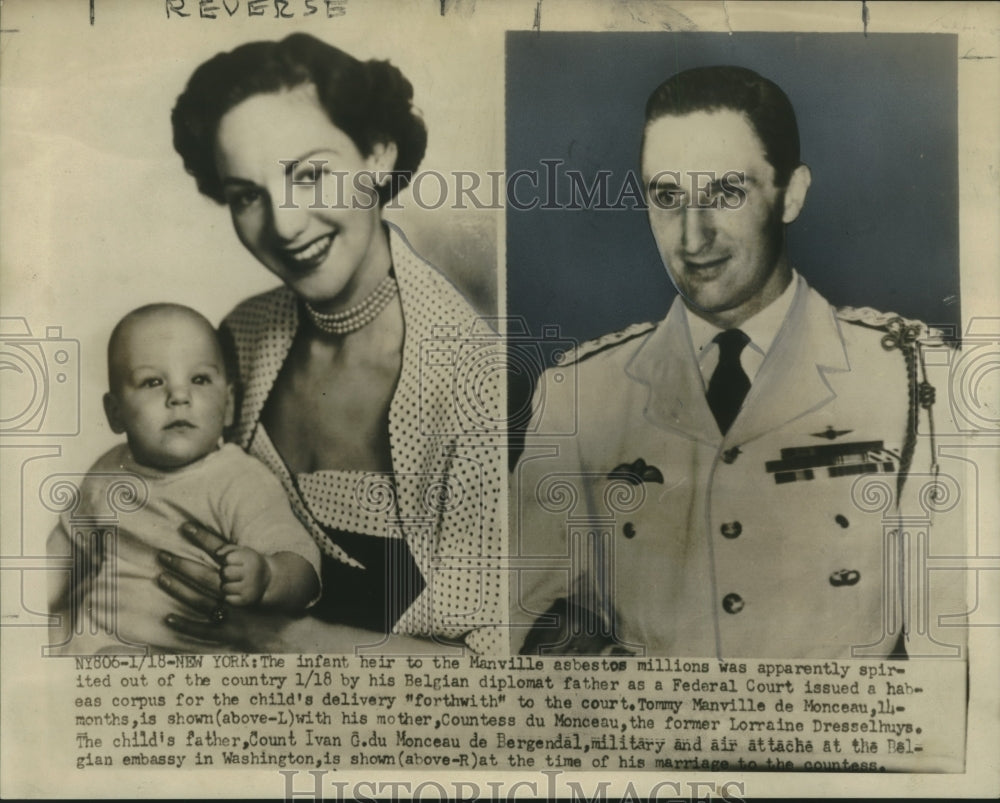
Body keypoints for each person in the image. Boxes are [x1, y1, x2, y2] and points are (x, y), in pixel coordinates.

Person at [513, 65, 963, 659]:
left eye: (726, 193)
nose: (692, 237)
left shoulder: (915, 380)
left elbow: (956, 662)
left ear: (791, 194)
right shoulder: (580, 393)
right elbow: (500, 623)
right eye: (667, 197)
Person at [146, 33, 502, 653]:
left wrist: (287, 638)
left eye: (310, 175)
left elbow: (495, 665)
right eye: (247, 195)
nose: (284, 226)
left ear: (379, 155)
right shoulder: (240, 337)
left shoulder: (478, 381)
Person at [48, 304, 321, 654]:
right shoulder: (109, 470)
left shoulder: (238, 479)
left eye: (200, 379)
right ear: (115, 413)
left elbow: (300, 562)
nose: (179, 396)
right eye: (153, 382)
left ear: (229, 405)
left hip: (187, 659)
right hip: (94, 642)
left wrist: (268, 575)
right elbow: (64, 551)